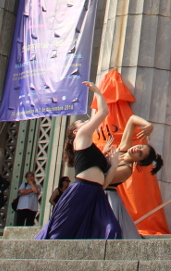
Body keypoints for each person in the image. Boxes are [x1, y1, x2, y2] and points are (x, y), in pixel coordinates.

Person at [35, 81, 121, 240]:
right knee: (60, 232)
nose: (85, 121)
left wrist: (113, 166)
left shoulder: (91, 148)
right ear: (76, 131)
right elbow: (103, 112)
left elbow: (102, 185)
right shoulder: (81, 137)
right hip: (80, 190)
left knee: (112, 229)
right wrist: (97, 91)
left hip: (97, 194)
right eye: (81, 122)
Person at [104, 115, 164, 239]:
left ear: (139, 161)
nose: (137, 149)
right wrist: (148, 125)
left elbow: (103, 180)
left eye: (140, 153)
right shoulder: (123, 148)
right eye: (140, 147)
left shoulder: (126, 170)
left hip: (105, 198)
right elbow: (131, 120)